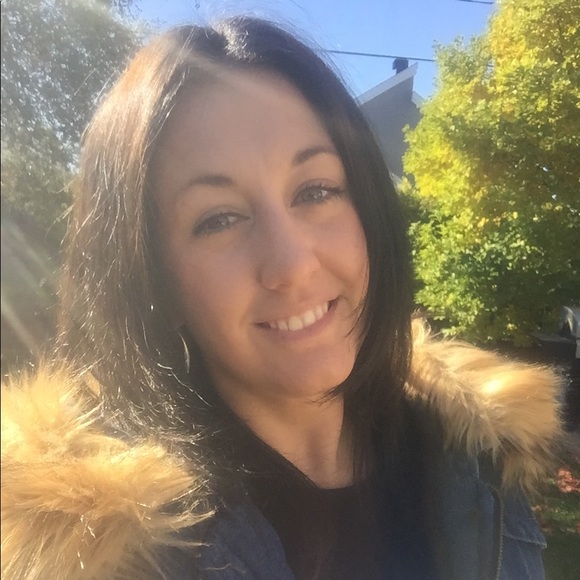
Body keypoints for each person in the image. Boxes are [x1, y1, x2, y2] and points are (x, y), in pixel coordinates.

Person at [1, 17, 563, 580]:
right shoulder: (111, 557)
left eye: (316, 191)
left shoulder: (477, 458)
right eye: (218, 220)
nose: (292, 265)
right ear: (155, 282)